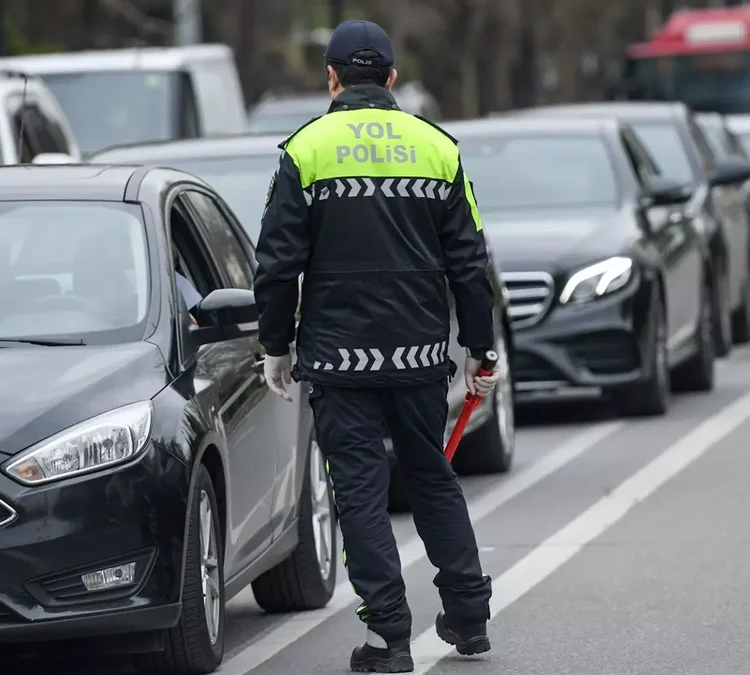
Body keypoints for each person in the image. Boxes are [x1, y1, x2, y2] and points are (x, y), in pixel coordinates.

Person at [253, 19, 500, 673]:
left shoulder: (306, 149)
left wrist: (275, 345)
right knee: (431, 478)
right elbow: (470, 260)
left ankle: (389, 637)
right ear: (391, 78)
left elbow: (276, 265)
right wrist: (482, 349)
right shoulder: (436, 146)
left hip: (338, 361)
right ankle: (469, 617)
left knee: (358, 495)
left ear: (330, 78)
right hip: (420, 356)